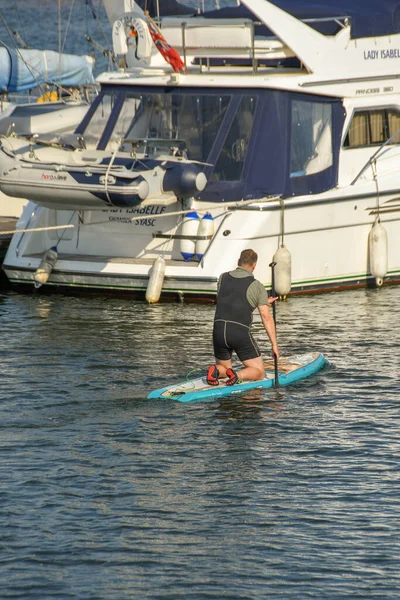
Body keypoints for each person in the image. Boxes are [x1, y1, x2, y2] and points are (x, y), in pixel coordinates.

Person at [207, 249, 280, 386]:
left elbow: (233, 298)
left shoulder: (222, 278)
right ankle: (237, 375)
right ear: (254, 265)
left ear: (238, 262)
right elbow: (266, 316)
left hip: (219, 329)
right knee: (258, 372)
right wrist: (274, 345)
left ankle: (216, 371)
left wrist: (263, 301)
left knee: (225, 368)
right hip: (238, 331)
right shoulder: (256, 285)